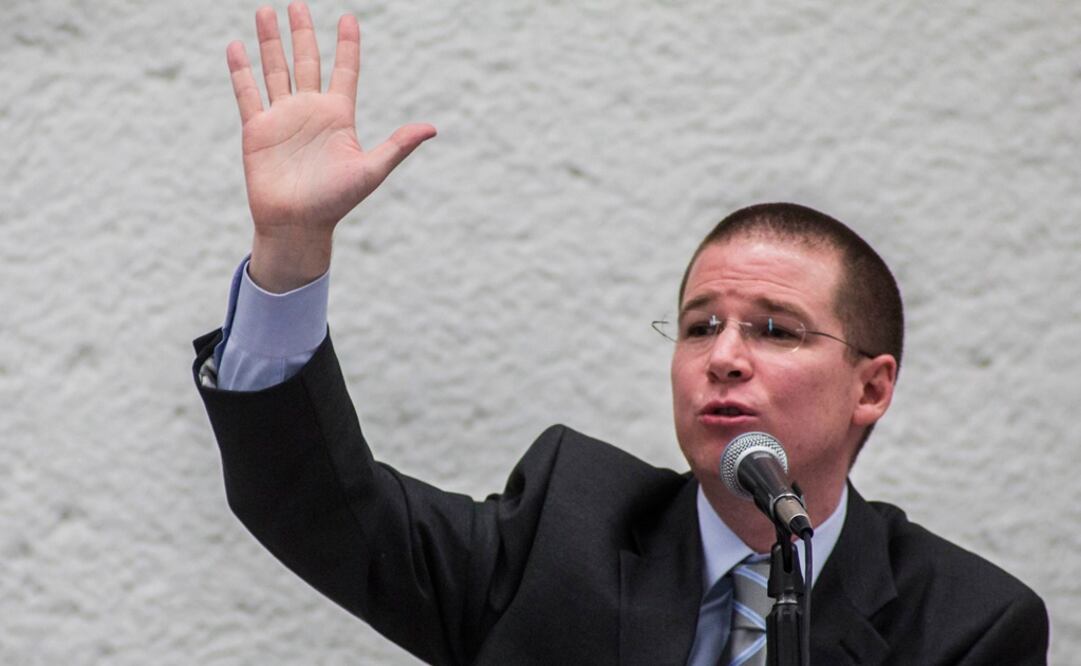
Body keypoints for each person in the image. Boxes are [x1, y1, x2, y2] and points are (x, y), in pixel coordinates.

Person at [193, 4, 1049, 664]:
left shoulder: (967, 623)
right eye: (699, 326)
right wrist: (291, 248)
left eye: (775, 331)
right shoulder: (562, 536)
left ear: (871, 386)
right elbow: (318, 507)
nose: (723, 358)